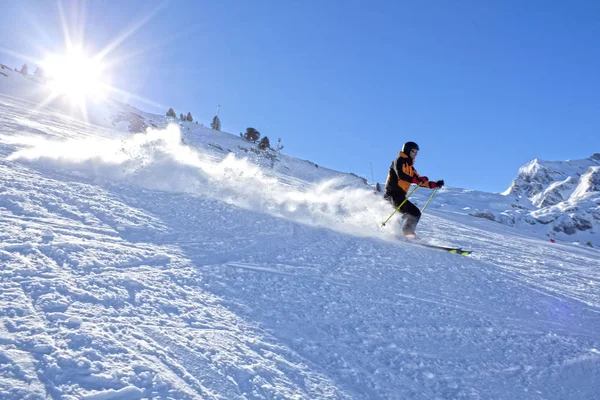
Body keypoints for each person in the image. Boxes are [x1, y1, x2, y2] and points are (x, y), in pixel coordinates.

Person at [384, 141, 444, 238]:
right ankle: (399, 233)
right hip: (392, 193)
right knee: (406, 213)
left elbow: (419, 181)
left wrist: (434, 184)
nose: (415, 154)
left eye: (417, 152)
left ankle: (406, 233)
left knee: (415, 213)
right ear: (407, 150)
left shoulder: (411, 168)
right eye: (413, 151)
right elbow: (401, 175)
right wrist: (415, 179)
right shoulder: (399, 161)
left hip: (400, 195)